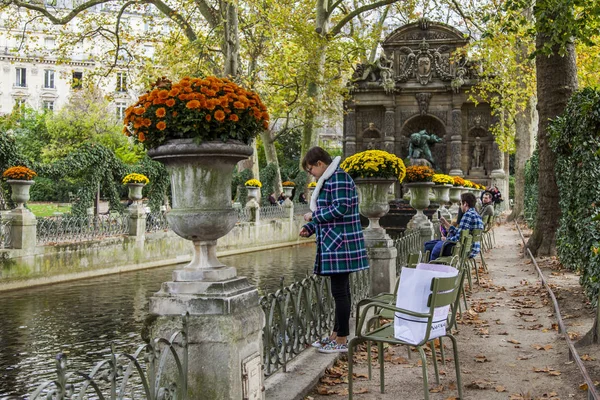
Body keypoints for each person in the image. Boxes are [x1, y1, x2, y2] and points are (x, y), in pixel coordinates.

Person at [299, 146, 369, 353]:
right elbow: (328, 211)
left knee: (340, 292)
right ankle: (335, 334)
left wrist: (313, 218)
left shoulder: (338, 178)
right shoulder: (330, 179)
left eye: (310, 169)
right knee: (340, 291)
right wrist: (309, 228)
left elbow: (340, 208)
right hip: (335, 242)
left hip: (341, 244)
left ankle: (341, 340)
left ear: (320, 164)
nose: (310, 173)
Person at [424, 192, 484, 260]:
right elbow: (461, 233)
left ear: (465, 204)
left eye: (461, 204)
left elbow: (459, 238)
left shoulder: (467, 215)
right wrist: (446, 223)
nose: (460, 206)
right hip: (471, 248)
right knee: (434, 243)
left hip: (462, 250)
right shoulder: (476, 215)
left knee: (428, 246)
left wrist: (446, 239)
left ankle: (432, 268)